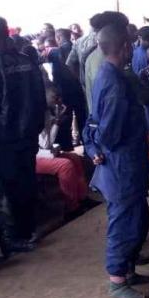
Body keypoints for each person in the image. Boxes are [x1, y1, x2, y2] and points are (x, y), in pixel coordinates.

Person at [82, 24, 149, 298]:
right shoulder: (113, 81)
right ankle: (117, 280)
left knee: (138, 218)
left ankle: (130, 268)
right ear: (125, 47)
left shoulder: (113, 75)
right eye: (131, 45)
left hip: (130, 161)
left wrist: (93, 141)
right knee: (122, 223)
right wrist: (96, 144)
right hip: (121, 164)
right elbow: (109, 132)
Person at [0, 15, 46, 251]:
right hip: (28, 137)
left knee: (8, 188)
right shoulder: (26, 61)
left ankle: (16, 237)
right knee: (27, 182)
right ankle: (29, 231)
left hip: (3, 141)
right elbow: (40, 99)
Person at [35, 84, 88, 215]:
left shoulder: (48, 112)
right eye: (55, 97)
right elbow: (46, 143)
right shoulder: (37, 115)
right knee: (65, 166)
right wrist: (57, 122)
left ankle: (82, 197)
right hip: (35, 156)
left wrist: (57, 117)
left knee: (75, 158)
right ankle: (72, 206)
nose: (59, 100)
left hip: (46, 152)